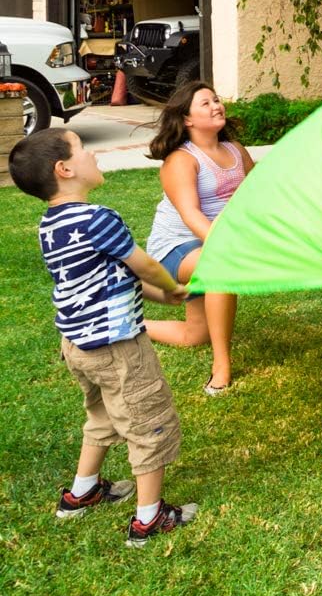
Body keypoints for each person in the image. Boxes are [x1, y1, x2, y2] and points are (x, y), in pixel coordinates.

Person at [9, 129, 198, 547]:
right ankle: (149, 519)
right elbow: (144, 265)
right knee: (148, 422)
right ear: (65, 169)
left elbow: (112, 277)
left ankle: (83, 491)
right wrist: (170, 285)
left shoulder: (51, 225)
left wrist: (163, 298)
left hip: (78, 346)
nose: (93, 155)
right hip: (118, 348)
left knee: (103, 416)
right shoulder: (98, 219)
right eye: (83, 149)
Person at [144, 81, 254, 395]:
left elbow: (257, 195)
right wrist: (225, 249)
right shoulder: (182, 160)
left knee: (194, 335)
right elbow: (191, 215)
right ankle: (221, 366)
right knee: (220, 267)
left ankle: (122, 324)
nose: (216, 105)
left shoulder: (235, 151)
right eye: (205, 103)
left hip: (213, 241)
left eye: (216, 100)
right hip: (175, 250)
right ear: (187, 119)